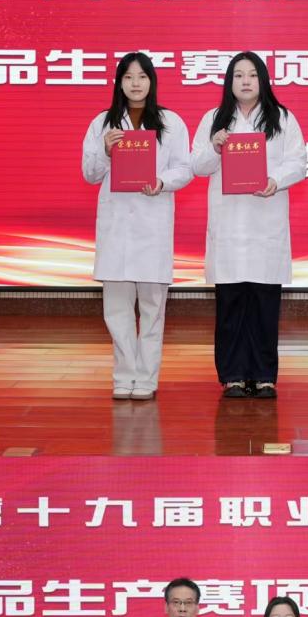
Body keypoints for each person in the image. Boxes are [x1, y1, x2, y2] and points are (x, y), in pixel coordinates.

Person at [190, 51, 308, 396]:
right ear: (229, 81)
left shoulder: (282, 118)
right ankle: (233, 376)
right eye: (238, 75)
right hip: (229, 224)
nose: (245, 81)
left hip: (265, 222)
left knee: (264, 303)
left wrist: (276, 180)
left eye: (252, 75)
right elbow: (197, 165)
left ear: (263, 80)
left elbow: (298, 162)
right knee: (230, 304)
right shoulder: (214, 119)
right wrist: (214, 147)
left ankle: (264, 375)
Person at [81, 50, 192, 399]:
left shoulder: (171, 122)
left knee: (152, 308)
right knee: (116, 309)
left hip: (152, 224)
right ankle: (124, 375)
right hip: (116, 226)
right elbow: (89, 174)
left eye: (142, 77)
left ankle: (146, 378)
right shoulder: (103, 123)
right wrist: (105, 151)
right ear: (119, 83)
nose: (135, 84)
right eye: (128, 77)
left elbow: (185, 169)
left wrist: (161, 181)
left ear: (152, 81)